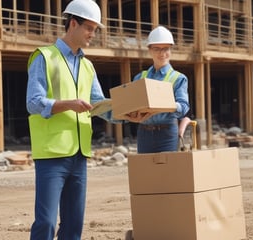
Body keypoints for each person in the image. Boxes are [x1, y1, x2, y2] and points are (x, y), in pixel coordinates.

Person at [26, 1, 114, 239]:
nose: (92, 35)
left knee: (74, 226)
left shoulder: (88, 66)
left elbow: (97, 105)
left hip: (79, 155)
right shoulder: (44, 57)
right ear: (72, 23)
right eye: (89, 28)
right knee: (45, 223)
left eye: (95, 29)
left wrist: (127, 113)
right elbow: (33, 102)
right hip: (52, 155)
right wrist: (68, 104)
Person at [124, 26, 190, 153]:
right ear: (149, 50)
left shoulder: (179, 78)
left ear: (171, 49)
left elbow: (184, 107)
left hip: (167, 133)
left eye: (166, 49)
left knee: (166, 172)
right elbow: (132, 105)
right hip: (144, 132)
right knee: (145, 172)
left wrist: (167, 104)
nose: (162, 53)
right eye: (157, 49)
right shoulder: (140, 77)